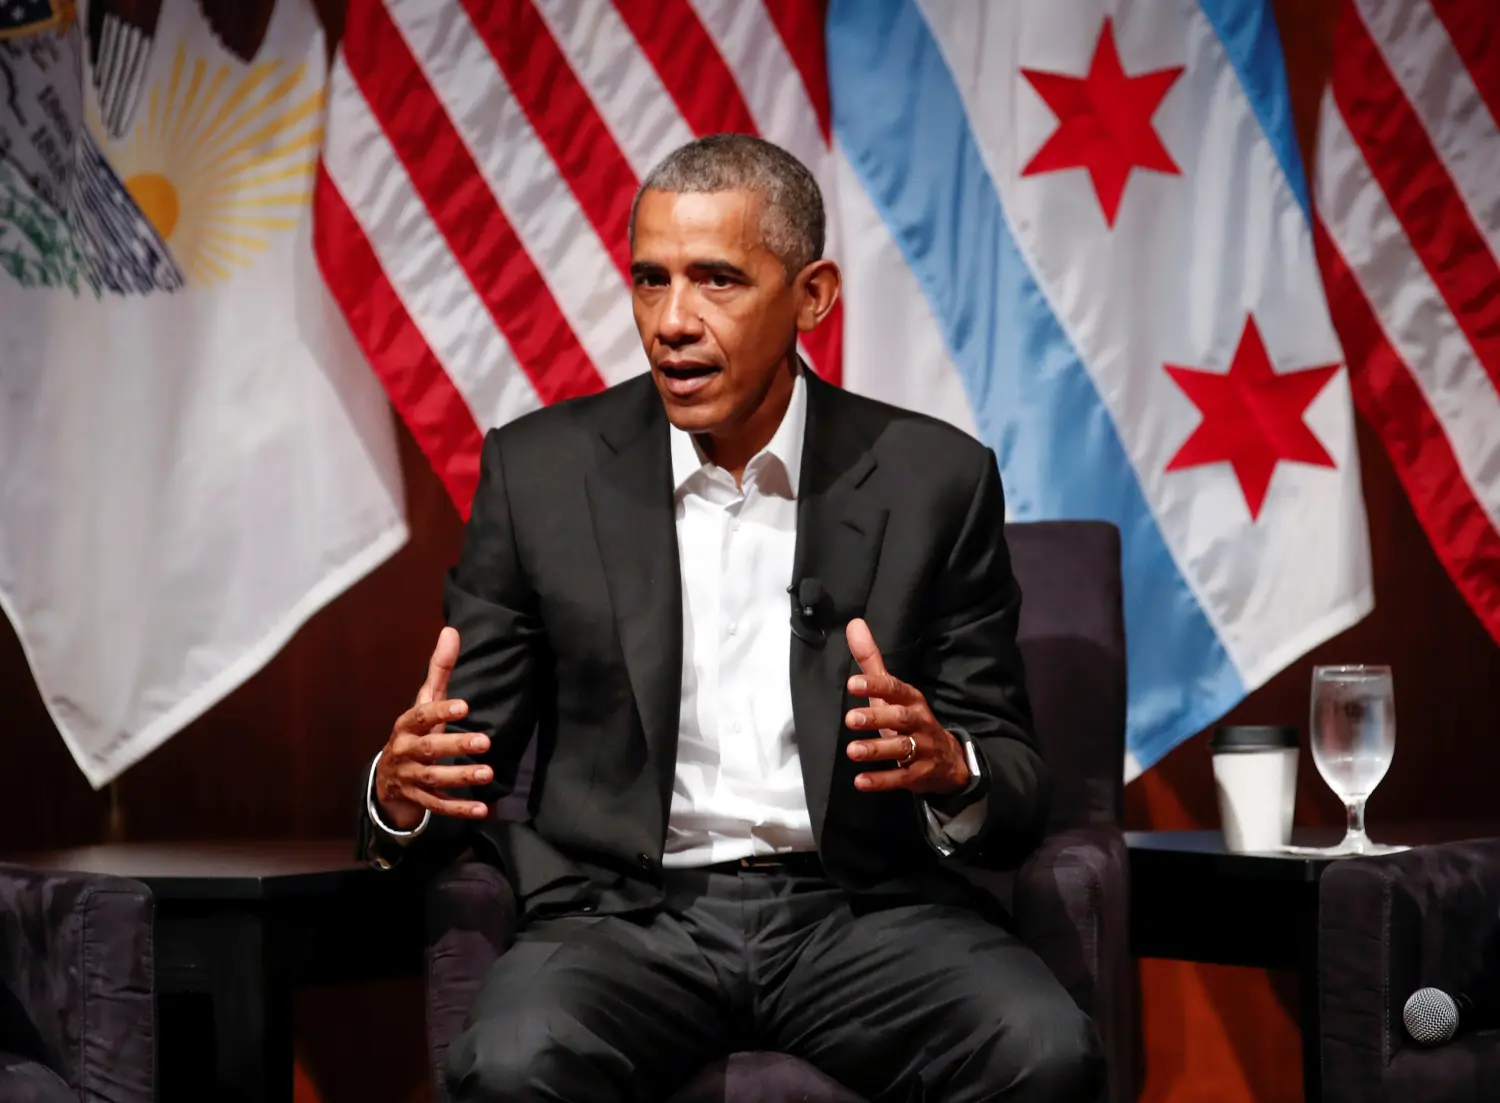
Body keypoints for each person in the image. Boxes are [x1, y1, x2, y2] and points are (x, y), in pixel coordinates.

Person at [361, 134, 1103, 1103]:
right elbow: (464, 753)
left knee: (1045, 1048)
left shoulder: (934, 481)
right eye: (650, 280)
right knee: (510, 1062)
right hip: (620, 921)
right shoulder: (539, 475)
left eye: (717, 280)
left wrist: (949, 761)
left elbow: (1010, 772)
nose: (673, 320)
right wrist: (400, 788)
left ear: (812, 295)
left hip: (860, 914)